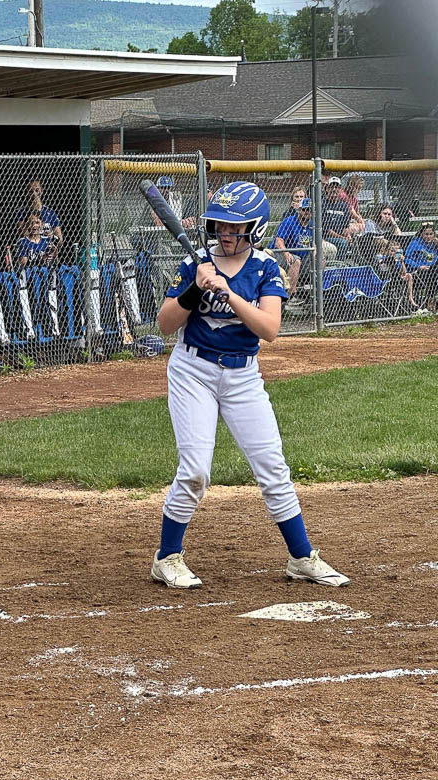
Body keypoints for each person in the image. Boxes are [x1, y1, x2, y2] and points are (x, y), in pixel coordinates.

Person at [151, 181, 349, 591]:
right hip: (193, 372)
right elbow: (166, 323)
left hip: (242, 376)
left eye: (235, 226)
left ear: (254, 228)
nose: (225, 233)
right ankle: (166, 558)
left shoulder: (265, 268)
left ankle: (301, 557)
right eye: (220, 225)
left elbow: (270, 329)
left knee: (273, 469)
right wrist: (196, 288)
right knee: (196, 471)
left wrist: (228, 293)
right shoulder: (196, 266)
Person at [272, 197, 314, 295]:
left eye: (310, 210)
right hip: (278, 254)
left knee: (321, 260)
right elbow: (278, 241)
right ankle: (291, 295)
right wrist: (286, 254)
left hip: (301, 256)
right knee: (296, 261)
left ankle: (314, 292)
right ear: (299, 210)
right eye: (304, 209)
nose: (307, 212)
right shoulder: (289, 221)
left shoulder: (312, 224)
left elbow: (313, 243)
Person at [15, 180, 62, 248]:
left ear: (41, 191)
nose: (34, 194)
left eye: (36, 190)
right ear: (26, 193)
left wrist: (52, 236)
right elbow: (24, 235)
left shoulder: (50, 212)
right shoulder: (21, 212)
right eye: (30, 191)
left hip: (48, 250)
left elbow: (60, 240)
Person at [376, 240, 420, 311]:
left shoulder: (398, 260)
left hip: (398, 279)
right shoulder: (384, 259)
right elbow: (384, 268)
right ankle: (410, 298)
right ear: (387, 251)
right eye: (392, 251)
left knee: (409, 275)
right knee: (408, 275)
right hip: (387, 280)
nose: (394, 253)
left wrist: (402, 262)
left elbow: (404, 272)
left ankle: (410, 298)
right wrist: (392, 260)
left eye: (397, 252)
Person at [404, 223, 438, 310]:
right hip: (419, 272)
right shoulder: (415, 243)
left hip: (433, 269)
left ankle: (432, 299)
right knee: (432, 273)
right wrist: (418, 266)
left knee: (434, 271)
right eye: (426, 234)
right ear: (422, 234)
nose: (428, 236)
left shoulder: (435, 244)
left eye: (431, 234)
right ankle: (431, 299)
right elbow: (406, 259)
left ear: (434, 235)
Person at [321, 176, 352, 260]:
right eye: (331, 187)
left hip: (340, 236)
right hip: (325, 237)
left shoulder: (344, 206)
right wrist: (343, 238)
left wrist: (348, 235)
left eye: (337, 187)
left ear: (340, 189)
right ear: (327, 189)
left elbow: (345, 227)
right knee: (343, 243)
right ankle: (338, 266)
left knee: (354, 241)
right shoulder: (322, 204)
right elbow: (327, 230)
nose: (334, 189)